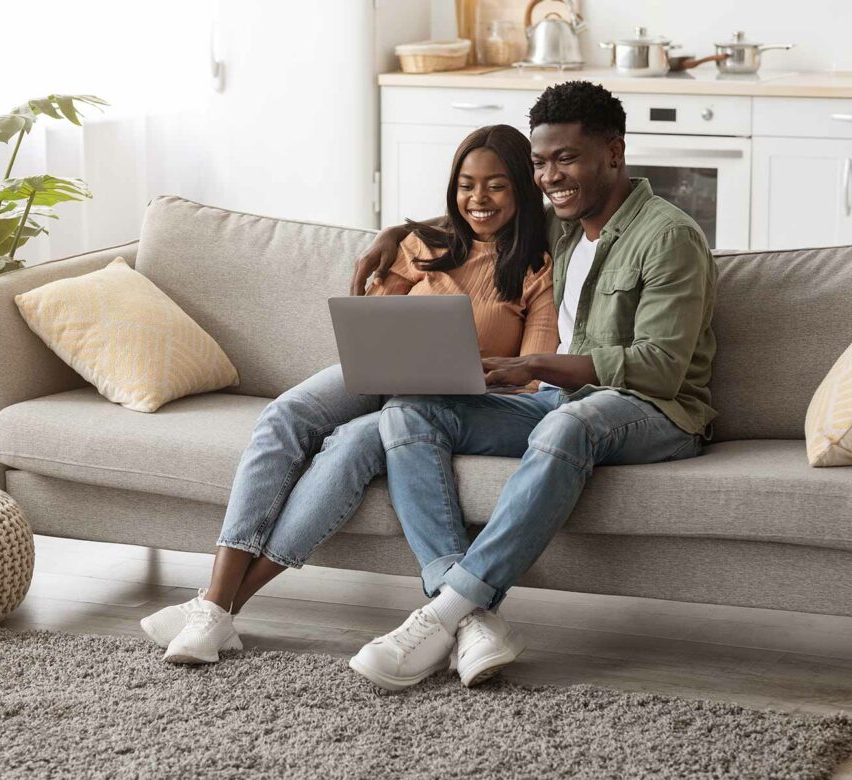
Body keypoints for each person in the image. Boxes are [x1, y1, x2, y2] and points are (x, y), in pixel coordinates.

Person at [345, 80, 719, 692]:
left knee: (567, 422)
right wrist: (401, 233)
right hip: (563, 402)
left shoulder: (667, 235)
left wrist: (537, 367)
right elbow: (487, 210)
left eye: (566, 159)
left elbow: (659, 367)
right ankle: (472, 622)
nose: (550, 177)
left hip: (658, 412)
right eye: (541, 163)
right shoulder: (566, 225)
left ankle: (440, 613)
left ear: (614, 153)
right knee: (411, 410)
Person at [139, 124, 559, 665]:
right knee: (285, 415)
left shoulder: (538, 268)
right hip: (382, 370)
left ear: (523, 188)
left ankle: (216, 610)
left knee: (352, 450)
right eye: (465, 184)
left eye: (496, 186)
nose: (478, 199)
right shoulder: (421, 245)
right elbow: (374, 318)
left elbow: (529, 376)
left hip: (453, 400)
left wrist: (472, 368)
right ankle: (217, 601)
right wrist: (399, 238)